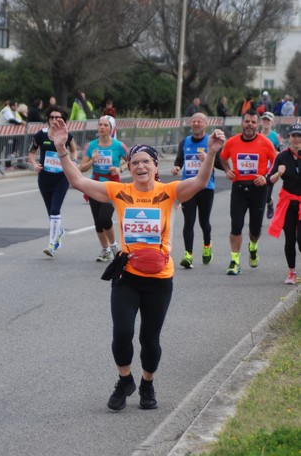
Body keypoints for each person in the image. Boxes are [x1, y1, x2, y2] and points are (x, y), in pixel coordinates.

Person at [50, 116, 225, 411]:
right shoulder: (119, 191)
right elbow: (77, 180)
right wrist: (61, 148)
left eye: (146, 162)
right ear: (129, 168)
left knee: (150, 338)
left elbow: (199, 181)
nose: (140, 167)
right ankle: (125, 379)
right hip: (127, 275)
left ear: (157, 167)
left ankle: (147, 383)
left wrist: (212, 153)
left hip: (159, 278)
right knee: (121, 333)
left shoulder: (169, 192)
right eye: (135, 163)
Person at [219, 109, 277, 275]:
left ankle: (253, 247)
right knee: (236, 226)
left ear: (257, 124)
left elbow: (276, 163)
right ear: (242, 123)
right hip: (238, 189)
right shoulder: (232, 142)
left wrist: (266, 177)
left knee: (255, 229)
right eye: (247, 121)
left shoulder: (266, 143)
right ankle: (235, 261)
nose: (249, 125)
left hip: (259, 190)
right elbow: (223, 157)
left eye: (253, 122)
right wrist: (227, 170)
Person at [28, 105, 77, 257]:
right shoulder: (40, 135)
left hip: (61, 178)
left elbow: (74, 150)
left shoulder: (67, 136)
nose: (55, 120)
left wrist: (73, 161)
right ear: (48, 119)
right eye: (52, 117)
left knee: (55, 211)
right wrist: (35, 164)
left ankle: (51, 244)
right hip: (44, 178)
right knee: (51, 212)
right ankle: (59, 231)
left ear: (63, 120)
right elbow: (31, 152)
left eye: (58, 117)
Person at [79, 115, 128, 261]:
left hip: (112, 185)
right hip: (95, 184)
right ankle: (105, 250)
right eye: (100, 125)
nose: (102, 128)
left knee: (105, 218)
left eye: (106, 125)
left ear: (111, 128)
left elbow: (131, 162)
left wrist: (120, 169)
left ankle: (114, 246)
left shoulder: (119, 146)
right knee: (98, 222)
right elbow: (82, 168)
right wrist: (92, 161)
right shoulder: (91, 145)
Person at [171, 113, 215, 269]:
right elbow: (179, 160)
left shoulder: (210, 141)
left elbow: (219, 163)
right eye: (194, 121)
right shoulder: (185, 141)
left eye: (199, 121)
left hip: (206, 187)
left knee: (204, 222)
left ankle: (207, 245)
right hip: (188, 186)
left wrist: (208, 159)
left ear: (205, 123)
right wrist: (176, 167)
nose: (196, 123)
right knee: (188, 221)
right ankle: (188, 255)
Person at [266, 123, 301, 285]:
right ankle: (292, 272)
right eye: (294, 136)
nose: (297, 139)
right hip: (288, 202)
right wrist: (278, 174)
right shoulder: (282, 157)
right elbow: (269, 179)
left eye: (299, 136)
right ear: (289, 138)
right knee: (290, 239)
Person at [260, 111, 281, 219]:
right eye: (264, 119)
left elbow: (280, 152)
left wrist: (275, 154)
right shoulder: (257, 135)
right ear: (261, 121)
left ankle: (270, 203)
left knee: (266, 195)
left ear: (272, 122)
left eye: (268, 120)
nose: (266, 122)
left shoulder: (275, 136)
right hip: (259, 169)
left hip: (271, 169)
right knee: (259, 195)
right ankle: (257, 218)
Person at [0, 100, 23, 169]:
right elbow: (11, 120)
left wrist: (21, 121)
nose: (17, 107)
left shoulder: (11, 111)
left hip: (5, 132)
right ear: (12, 106)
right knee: (4, 149)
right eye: (16, 106)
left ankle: (0, 164)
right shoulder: (6, 110)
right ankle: (4, 165)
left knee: (4, 149)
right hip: (3, 133)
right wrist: (21, 123)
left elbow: (15, 119)